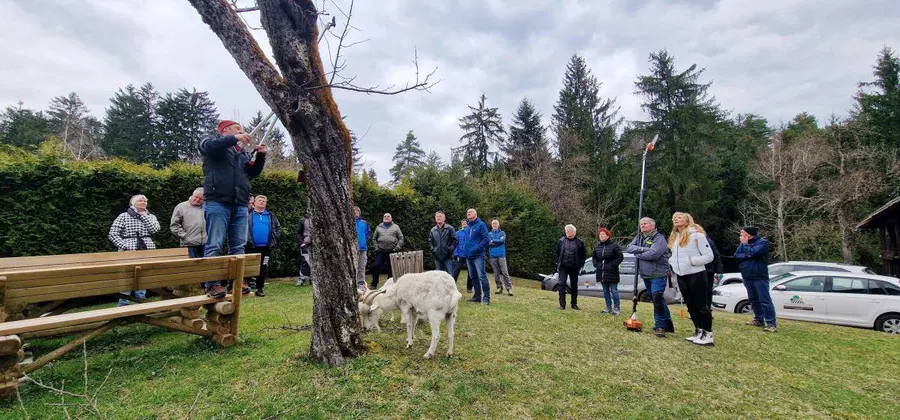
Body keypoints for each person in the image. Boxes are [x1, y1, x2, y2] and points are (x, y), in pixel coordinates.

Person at [200, 119, 266, 298]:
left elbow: (252, 173)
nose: (241, 131)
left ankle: (237, 281)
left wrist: (260, 156)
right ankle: (212, 284)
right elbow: (209, 146)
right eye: (237, 129)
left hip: (240, 203)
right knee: (215, 244)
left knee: (238, 246)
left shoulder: (241, 153)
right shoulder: (212, 144)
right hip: (218, 201)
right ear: (225, 130)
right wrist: (235, 138)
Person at [667, 212, 715, 346]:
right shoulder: (676, 237)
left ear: (687, 221)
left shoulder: (697, 236)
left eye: (679, 218)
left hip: (696, 274)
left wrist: (691, 261)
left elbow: (709, 256)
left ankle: (708, 334)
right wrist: (672, 262)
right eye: (674, 218)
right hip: (681, 275)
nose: (676, 219)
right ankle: (699, 331)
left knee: (701, 305)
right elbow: (675, 256)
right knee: (690, 305)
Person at [109, 194, 160, 306]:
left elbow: (155, 230)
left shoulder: (150, 216)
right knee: (126, 275)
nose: (143, 202)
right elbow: (113, 234)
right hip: (128, 250)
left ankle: (141, 302)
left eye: (145, 201)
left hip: (147, 249)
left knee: (143, 275)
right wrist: (124, 245)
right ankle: (123, 303)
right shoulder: (123, 216)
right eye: (140, 201)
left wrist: (143, 216)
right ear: (133, 203)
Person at [627, 217, 674, 337]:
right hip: (646, 274)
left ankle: (660, 326)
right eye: (641, 224)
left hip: (658, 273)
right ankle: (668, 323)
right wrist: (643, 249)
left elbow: (654, 254)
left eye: (645, 224)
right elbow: (629, 248)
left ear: (652, 226)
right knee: (657, 298)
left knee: (657, 298)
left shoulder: (659, 238)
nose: (642, 225)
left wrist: (638, 254)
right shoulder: (639, 237)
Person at [735, 226, 777, 332]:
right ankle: (758, 319)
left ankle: (771, 323)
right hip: (747, 275)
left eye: (742, 233)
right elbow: (737, 255)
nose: (740, 236)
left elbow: (754, 252)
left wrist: (746, 247)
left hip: (759, 276)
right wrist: (748, 254)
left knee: (764, 300)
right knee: (753, 299)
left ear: (749, 234)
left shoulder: (763, 243)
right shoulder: (743, 244)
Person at [245, 195, 280, 297]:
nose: (262, 202)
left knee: (263, 268)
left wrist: (274, 239)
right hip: (250, 246)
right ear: (254, 203)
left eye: (264, 201)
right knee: (247, 267)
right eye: (260, 200)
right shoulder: (249, 214)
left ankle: (260, 288)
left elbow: (277, 228)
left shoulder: (270, 215)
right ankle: (245, 287)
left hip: (266, 248)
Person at [462, 208, 491, 305]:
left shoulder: (481, 224)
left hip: (478, 255)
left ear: (475, 214)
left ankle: (486, 298)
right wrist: (465, 251)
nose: (468, 213)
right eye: (467, 212)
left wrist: (478, 248)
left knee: (482, 276)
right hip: (468, 256)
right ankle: (477, 296)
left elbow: (486, 239)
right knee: (473, 276)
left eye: (470, 212)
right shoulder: (467, 227)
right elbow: (466, 240)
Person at [592, 227, 623, 314]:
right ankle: (608, 307)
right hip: (601, 272)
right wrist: (596, 264)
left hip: (612, 272)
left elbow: (620, 257)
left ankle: (617, 308)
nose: (601, 236)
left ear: (608, 236)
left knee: (614, 291)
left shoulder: (614, 246)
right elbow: (594, 257)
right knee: (605, 291)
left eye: (603, 234)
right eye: (600, 235)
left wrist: (613, 265)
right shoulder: (597, 246)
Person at [170, 187, 206, 258]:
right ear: (192, 195)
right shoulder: (181, 206)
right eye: (196, 197)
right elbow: (174, 225)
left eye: (201, 199)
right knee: (190, 267)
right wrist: (184, 236)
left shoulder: (207, 207)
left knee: (207, 267)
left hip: (205, 243)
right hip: (189, 244)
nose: (198, 200)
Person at [556, 224, 586, 310]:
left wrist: (579, 266)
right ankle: (562, 305)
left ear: (574, 232)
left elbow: (583, 256)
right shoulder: (561, 241)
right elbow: (558, 253)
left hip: (574, 267)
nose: (567, 232)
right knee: (561, 284)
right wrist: (559, 263)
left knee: (574, 286)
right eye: (566, 230)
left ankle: (574, 304)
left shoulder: (580, 243)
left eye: (569, 230)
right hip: (563, 267)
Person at [371, 213, 404, 289]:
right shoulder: (378, 227)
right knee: (376, 266)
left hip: (392, 251)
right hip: (381, 251)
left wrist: (397, 248)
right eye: (385, 216)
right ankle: (374, 284)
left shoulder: (396, 227)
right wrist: (376, 248)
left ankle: (390, 285)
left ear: (391, 218)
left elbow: (401, 238)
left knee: (391, 268)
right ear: (383, 218)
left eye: (388, 216)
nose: (386, 217)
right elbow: (374, 239)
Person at [429, 211, 457, 276]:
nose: (438, 218)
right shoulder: (433, 230)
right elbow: (430, 241)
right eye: (437, 216)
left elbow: (455, 241)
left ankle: (451, 286)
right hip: (437, 258)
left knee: (450, 277)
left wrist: (449, 249)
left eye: (440, 216)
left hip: (448, 257)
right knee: (439, 277)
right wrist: (434, 250)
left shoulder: (450, 228)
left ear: (444, 218)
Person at [489, 219, 512, 296]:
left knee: (505, 273)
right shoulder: (489, 234)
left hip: (501, 255)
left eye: (496, 223)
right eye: (493, 223)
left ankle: (509, 289)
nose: (494, 224)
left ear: (498, 225)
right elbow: (488, 243)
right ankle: (499, 288)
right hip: (493, 256)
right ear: (491, 225)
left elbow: (502, 241)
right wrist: (497, 241)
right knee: (496, 274)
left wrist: (493, 241)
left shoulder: (502, 233)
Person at [453, 219, 473, 293]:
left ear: (468, 224)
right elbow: (455, 244)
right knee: (456, 271)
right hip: (460, 255)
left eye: (465, 223)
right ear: (461, 224)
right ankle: (453, 285)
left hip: (469, 255)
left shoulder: (471, 232)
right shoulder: (458, 233)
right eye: (463, 223)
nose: (464, 224)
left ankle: (469, 288)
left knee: (470, 272)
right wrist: (456, 254)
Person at [704, 236, 724, 312]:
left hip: (708, 269)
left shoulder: (707, 241)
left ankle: (707, 309)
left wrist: (719, 270)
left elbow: (716, 255)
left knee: (707, 291)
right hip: (698, 269)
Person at [354, 206, 372, 292]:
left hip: (362, 248)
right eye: (354, 211)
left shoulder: (364, 223)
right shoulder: (348, 223)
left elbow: (368, 234)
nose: (355, 212)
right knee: (353, 267)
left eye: (357, 211)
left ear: (359, 213)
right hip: (352, 249)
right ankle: (353, 283)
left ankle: (361, 284)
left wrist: (363, 241)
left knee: (361, 266)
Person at [296, 212, 311, 286]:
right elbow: (298, 233)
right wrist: (302, 243)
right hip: (306, 244)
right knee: (306, 261)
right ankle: (303, 279)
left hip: (319, 244)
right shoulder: (303, 220)